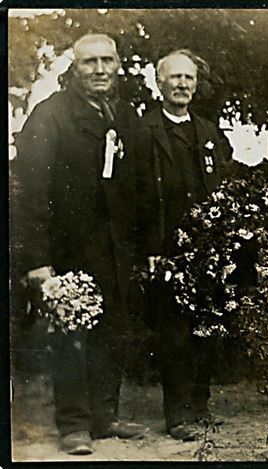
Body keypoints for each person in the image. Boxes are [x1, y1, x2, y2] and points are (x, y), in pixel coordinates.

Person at [12, 33, 149, 455]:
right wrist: (38, 262)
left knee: (113, 331)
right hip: (68, 249)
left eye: (108, 61)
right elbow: (31, 195)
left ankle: (104, 416)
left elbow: (137, 186)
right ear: (74, 69)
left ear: (118, 66)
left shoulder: (124, 115)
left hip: (114, 248)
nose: (100, 70)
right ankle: (73, 425)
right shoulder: (49, 116)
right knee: (71, 335)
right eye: (90, 62)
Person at [137, 50, 235, 441]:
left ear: (197, 85)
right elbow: (136, 196)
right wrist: (148, 247)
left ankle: (200, 405)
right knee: (174, 333)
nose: (182, 84)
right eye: (174, 77)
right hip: (165, 248)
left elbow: (225, 186)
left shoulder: (209, 132)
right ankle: (177, 414)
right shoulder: (143, 131)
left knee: (206, 329)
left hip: (207, 249)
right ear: (159, 83)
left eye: (188, 78)